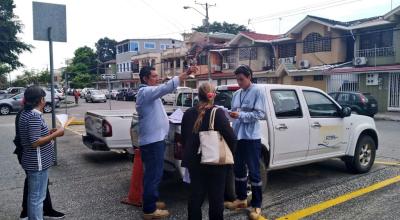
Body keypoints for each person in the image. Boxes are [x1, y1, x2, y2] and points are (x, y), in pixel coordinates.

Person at [136, 66, 196, 219]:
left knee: (153, 174)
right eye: (154, 76)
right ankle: (149, 210)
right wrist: (185, 74)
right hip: (152, 142)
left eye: (157, 76)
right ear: (145, 79)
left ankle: (151, 201)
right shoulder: (145, 92)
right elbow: (166, 88)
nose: (157, 78)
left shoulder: (148, 93)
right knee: (153, 175)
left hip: (154, 140)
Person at [181, 82, 236, 220]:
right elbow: (232, 138)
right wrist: (231, 155)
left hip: (194, 163)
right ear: (213, 95)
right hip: (215, 163)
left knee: (195, 198)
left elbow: (184, 139)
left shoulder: (188, 113)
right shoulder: (218, 113)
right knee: (216, 200)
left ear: (198, 96)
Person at [18, 86, 65, 220]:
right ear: (41, 100)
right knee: (37, 198)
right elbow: (35, 142)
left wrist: (48, 133)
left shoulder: (25, 113)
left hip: (32, 161)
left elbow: (33, 136)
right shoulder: (34, 116)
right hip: (37, 162)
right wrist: (57, 133)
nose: (45, 100)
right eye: (44, 97)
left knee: (35, 196)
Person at [226, 65, 267, 220]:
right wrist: (229, 114)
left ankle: (257, 205)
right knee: (238, 170)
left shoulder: (258, 91)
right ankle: (241, 199)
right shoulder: (237, 93)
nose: (239, 82)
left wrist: (241, 115)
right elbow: (234, 112)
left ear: (249, 76)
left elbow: (260, 114)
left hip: (251, 138)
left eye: (241, 79)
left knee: (254, 172)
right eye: (237, 79)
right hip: (238, 136)